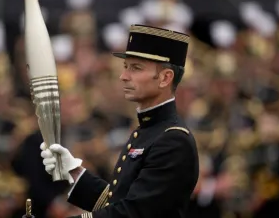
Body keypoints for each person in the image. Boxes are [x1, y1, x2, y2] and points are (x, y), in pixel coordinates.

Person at [40, 24, 200, 218]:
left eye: (136, 68)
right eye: (126, 67)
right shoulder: (147, 130)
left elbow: (132, 213)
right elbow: (116, 201)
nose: (123, 76)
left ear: (165, 78)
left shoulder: (173, 140)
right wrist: (73, 171)